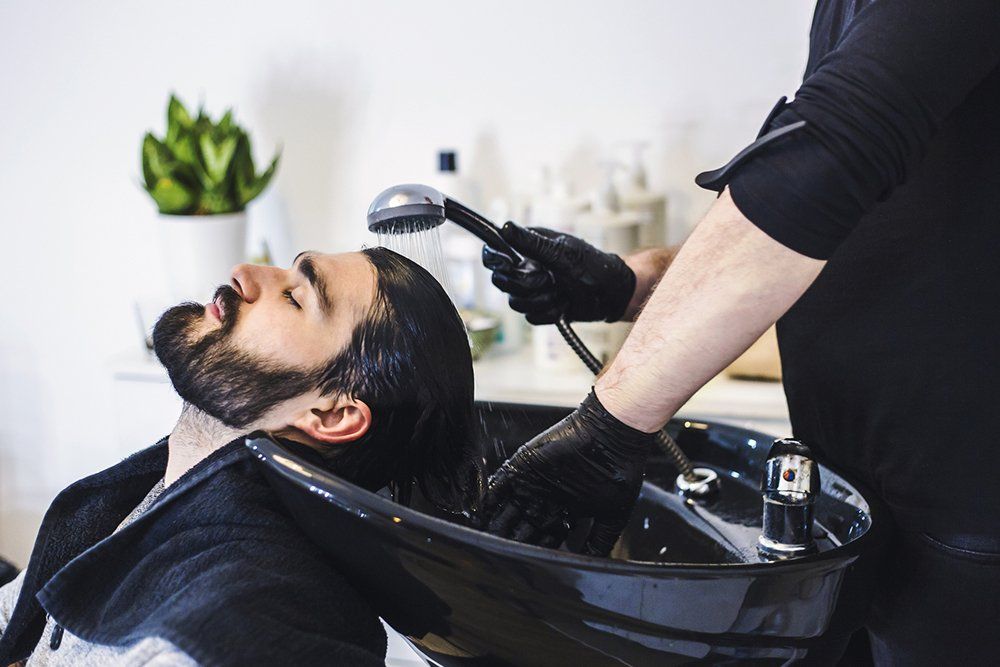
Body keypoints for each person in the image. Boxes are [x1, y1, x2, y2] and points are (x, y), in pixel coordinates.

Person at [480, 1, 1000, 664]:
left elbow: (829, 157)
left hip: (966, 527)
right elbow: (863, 220)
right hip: (865, 502)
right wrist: (630, 283)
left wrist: (609, 425)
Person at [0, 247, 479, 666]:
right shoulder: (142, 497)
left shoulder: (247, 618)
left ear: (331, 414)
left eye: (295, 296)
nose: (244, 274)